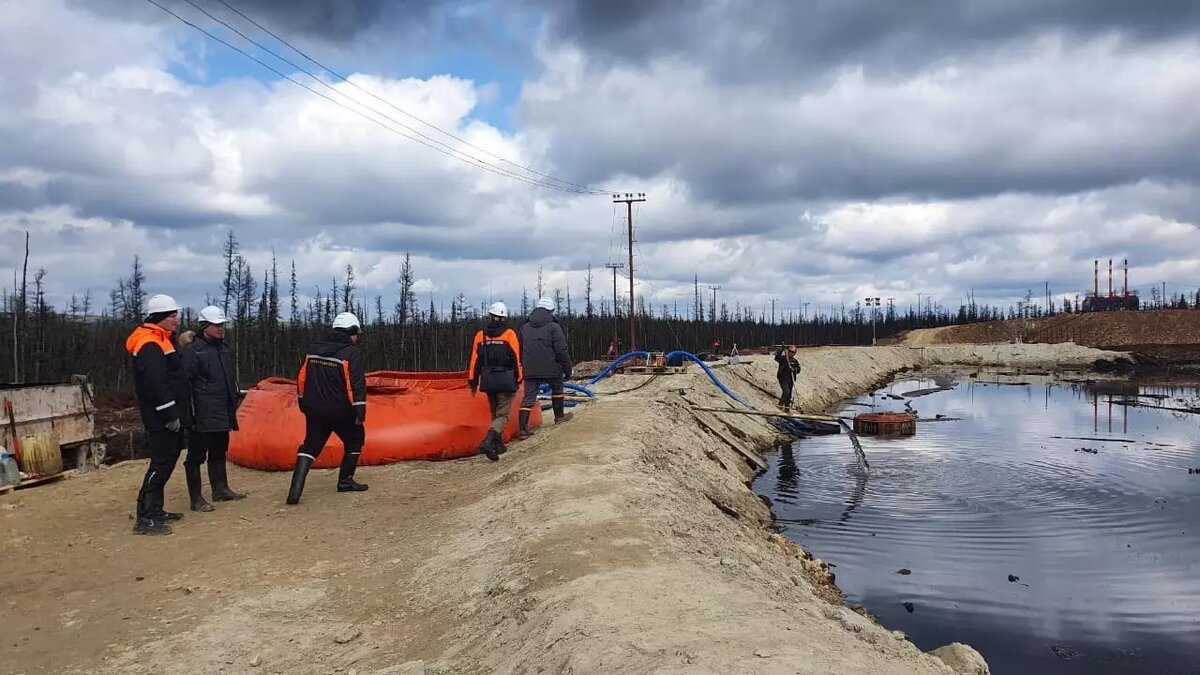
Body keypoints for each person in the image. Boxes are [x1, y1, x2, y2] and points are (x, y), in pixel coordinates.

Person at [125, 294, 192, 536]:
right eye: (172, 315)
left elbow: (172, 373)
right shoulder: (149, 344)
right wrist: (169, 414)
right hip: (160, 417)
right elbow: (155, 384)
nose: (176, 319)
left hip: (169, 414)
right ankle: (144, 516)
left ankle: (156, 509)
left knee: (167, 460)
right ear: (160, 317)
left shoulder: (160, 339)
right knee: (160, 463)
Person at [286, 312, 368, 505]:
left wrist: (303, 403)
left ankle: (294, 492)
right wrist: (360, 412)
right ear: (352, 332)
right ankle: (345, 482)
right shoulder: (351, 354)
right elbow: (356, 385)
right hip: (341, 411)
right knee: (355, 439)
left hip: (315, 410)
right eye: (357, 334)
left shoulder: (313, 350)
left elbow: (301, 380)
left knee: (310, 447)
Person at [181, 305, 245, 513]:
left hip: (223, 410)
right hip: (202, 412)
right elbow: (185, 384)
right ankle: (196, 498)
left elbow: (227, 378)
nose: (221, 328)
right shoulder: (194, 351)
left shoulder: (223, 348)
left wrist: (235, 395)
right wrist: (190, 413)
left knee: (219, 450)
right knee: (196, 456)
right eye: (217, 325)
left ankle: (221, 489)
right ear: (205, 326)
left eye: (222, 324)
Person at [467, 302, 522, 461]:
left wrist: (473, 382)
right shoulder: (509, 334)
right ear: (504, 318)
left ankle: (497, 446)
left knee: (494, 413)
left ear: (490, 316)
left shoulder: (480, 335)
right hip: (506, 379)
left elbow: (475, 361)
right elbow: (516, 357)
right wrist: (519, 378)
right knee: (503, 415)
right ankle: (488, 441)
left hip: (489, 380)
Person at [518, 298, 574, 438]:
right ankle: (559, 417)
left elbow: (519, 349)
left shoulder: (524, 327)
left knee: (529, 397)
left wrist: (522, 366)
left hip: (530, 368)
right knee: (557, 387)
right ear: (551, 311)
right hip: (551, 367)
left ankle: (523, 430)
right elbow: (561, 350)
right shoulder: (553, 326)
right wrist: (568, 369)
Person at [775, 344, 801, 410]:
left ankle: (787, 408)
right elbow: (776, 357)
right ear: (788, 352)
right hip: (783, 379)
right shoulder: (784, 358)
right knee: (786, 391)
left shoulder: (795, 361)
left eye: (792, 353)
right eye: (790, 352)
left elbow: (798, 369)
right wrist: (781, 349)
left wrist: (794, 370)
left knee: (789, 394)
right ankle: (780, 405)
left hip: (791, 380)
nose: (791, 354)